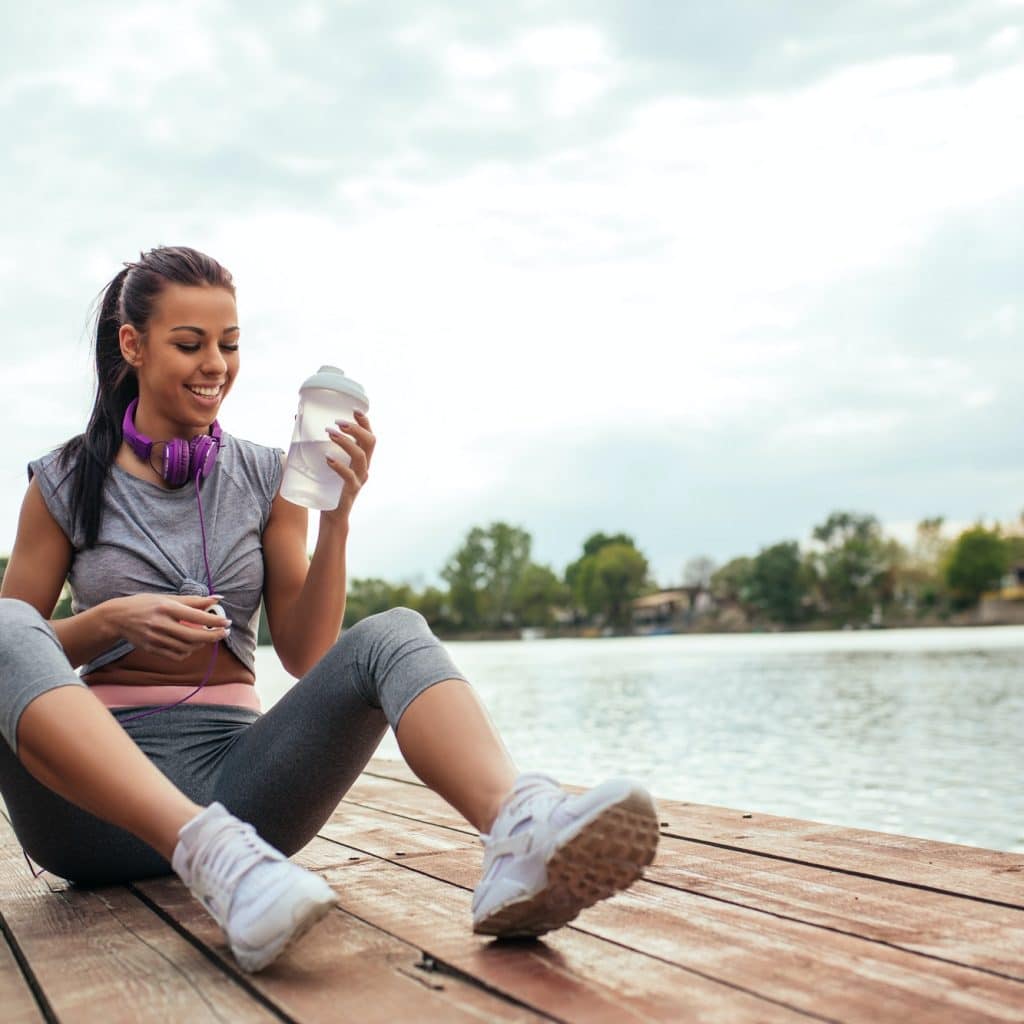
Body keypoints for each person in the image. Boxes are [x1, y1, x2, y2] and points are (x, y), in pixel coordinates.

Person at [0, 245, 659, 973]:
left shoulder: (265, 476)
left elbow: (309, 654)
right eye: (189, 344)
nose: (215, 363)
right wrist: (107, 623)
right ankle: (205, 851)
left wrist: (337, 520)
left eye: (230, 343)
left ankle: (519, 829)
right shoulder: (62, 481)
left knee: (393, 632)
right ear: (133, 344)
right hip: (89, 812)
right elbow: (12, 660)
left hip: (243, 787)